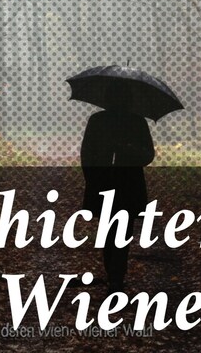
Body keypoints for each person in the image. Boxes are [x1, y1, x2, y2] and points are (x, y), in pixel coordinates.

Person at [80, 90, 155, 293]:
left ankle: (115, 277)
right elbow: (87, 153)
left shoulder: (133, 122)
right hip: (118, 185)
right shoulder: (129, 121)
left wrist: (125, 149)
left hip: (121, 185)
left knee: (113, 231)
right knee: (117, 232)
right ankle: (115, 276)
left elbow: (147, 155)